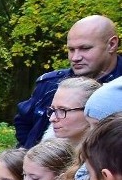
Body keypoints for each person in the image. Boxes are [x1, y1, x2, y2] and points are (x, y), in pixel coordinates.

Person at [14, 15, 121, 148]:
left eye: (85, 48)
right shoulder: (49, 84)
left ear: (112, 44)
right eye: (71, 50)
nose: (75, 57)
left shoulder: (118, 90)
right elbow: (23, 122)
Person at [46, 77, 101, 145]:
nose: (52, 119)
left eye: (63, 110)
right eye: (53, 109)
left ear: (91, 112)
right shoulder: (48, 152)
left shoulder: (110, 152)